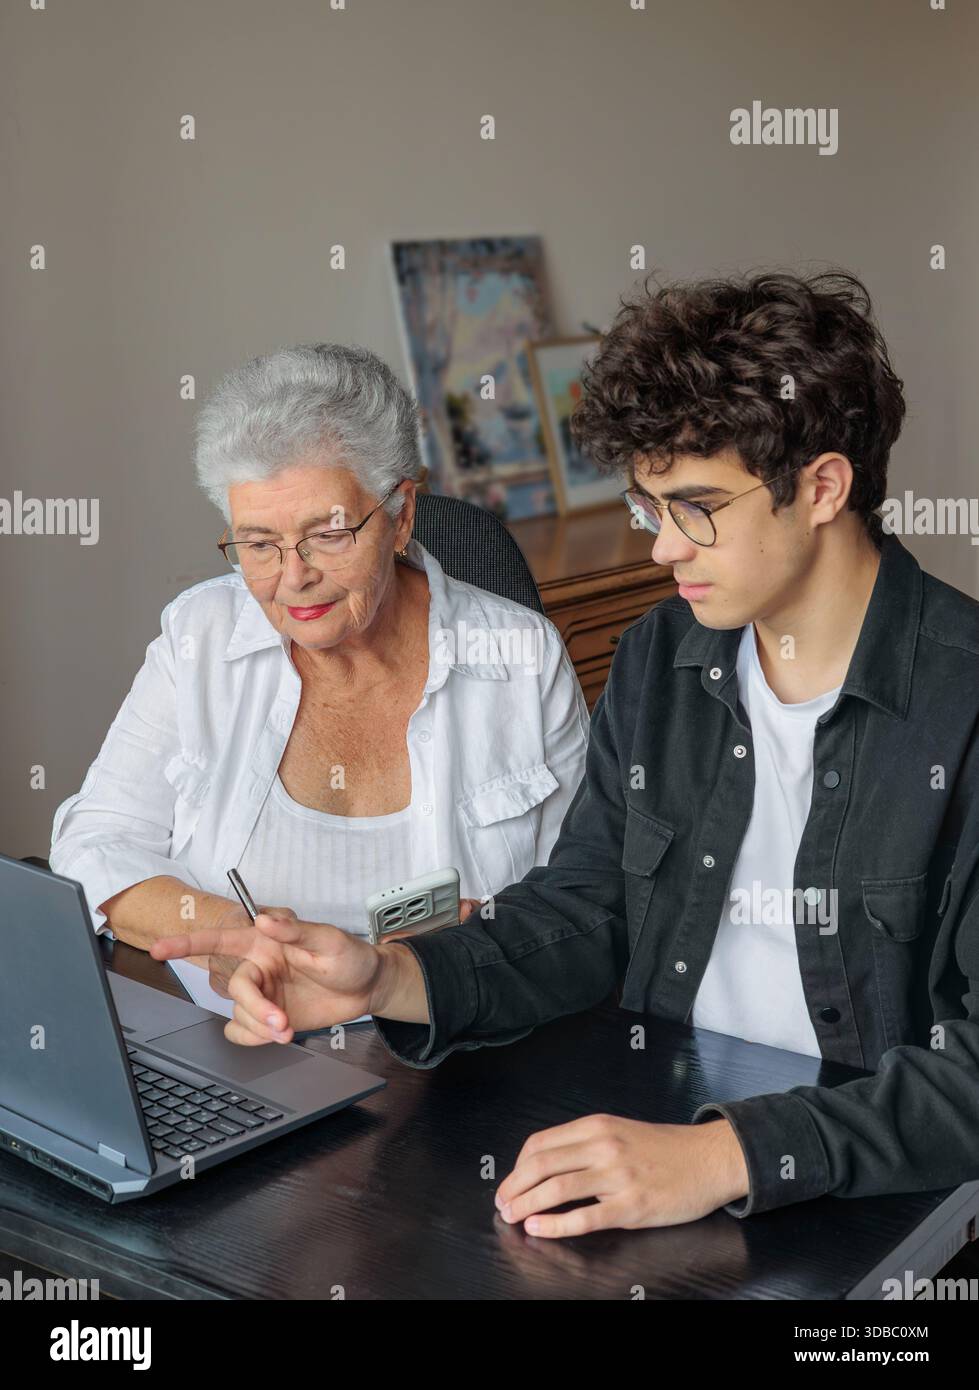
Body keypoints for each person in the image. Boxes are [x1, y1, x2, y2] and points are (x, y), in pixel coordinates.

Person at [154, 271, 979, 1236]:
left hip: (870, 1196)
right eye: (648, 506)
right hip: (654, 1132)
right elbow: (586, 913)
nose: (663, 548)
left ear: (824, 487)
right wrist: (386, 977)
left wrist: (725, 1155)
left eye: (696, 506)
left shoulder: (959, 707)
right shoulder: (663, 657)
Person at [50, 343, 588, 1010]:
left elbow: (581, 904)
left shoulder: (520, 656)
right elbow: (96, 844)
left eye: (328, 534)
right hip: (236, 1041)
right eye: (257, 542)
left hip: (452, 1045)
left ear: (401, 516)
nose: (292, 575)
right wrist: (236, 938)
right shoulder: (200, 637)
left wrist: (462, 951)